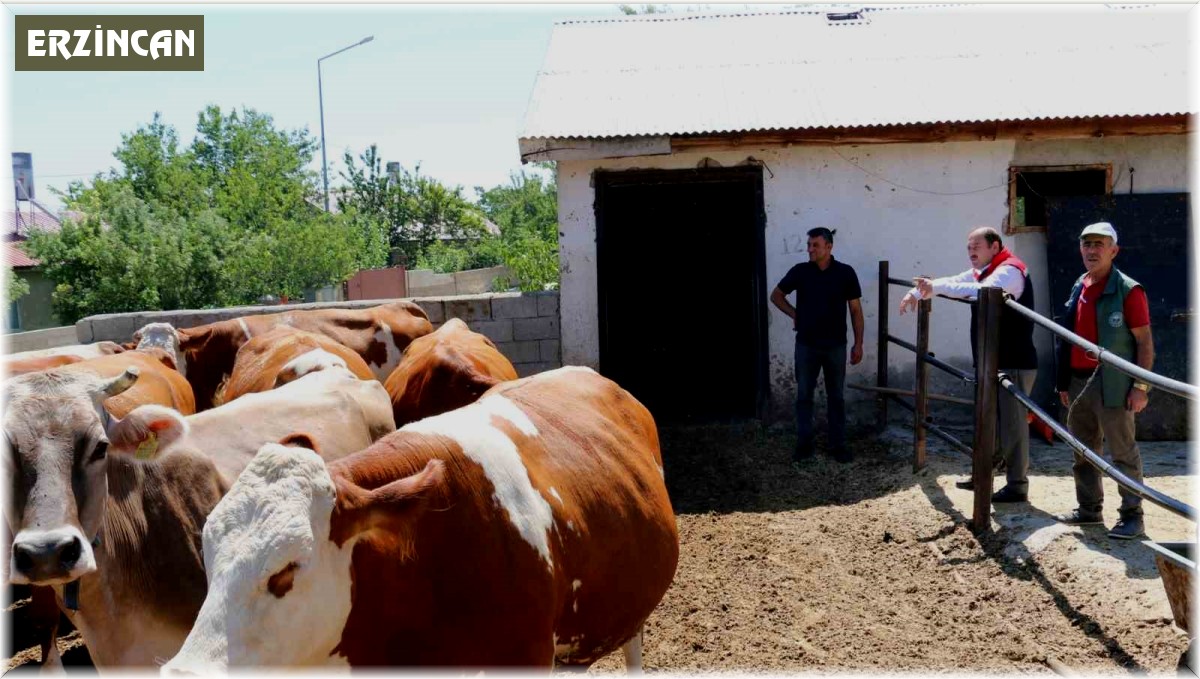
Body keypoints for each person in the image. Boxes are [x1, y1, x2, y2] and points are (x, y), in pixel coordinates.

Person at [899, 227, 1037, 503]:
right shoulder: (984, 270)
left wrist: (934, 287)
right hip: (992, 359)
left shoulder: (1009, 271)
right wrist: (918, 292)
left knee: (1012, 425)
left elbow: (980, 291)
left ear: (995, 247)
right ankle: (984, 474)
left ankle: (1018, 485)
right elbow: (957, 281)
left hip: (1014, 361)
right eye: (968, 247)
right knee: (988, 419)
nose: (972, 252)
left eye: (977, 246)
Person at [1053, 221, 1153, 540]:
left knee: (1122, 450)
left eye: (1099, 244)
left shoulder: (1129, 290)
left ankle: (1132, 516)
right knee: (1082, 449)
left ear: (1114, 250)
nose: (1092, 250)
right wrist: (1064, 382)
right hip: (1080, 381)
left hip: (1114, 383)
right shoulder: (1079, 284)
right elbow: (1068, 337)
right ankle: (1089, 509)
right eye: (1087, 244)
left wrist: (1140, 387)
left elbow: (1145, 342)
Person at [770, 227, 864, 463]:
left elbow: (855, 310)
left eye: (815, 245)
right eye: (809, 245)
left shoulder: (845, 273)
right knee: (803, 396)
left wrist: (858, 343)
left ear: (829, 247)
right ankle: (804, 445)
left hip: (836, 345)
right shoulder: (801, 272)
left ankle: (837, 445)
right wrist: (795, 314)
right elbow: (776, 295)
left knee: (836, 397)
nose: (810, 249)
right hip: (807, 345)